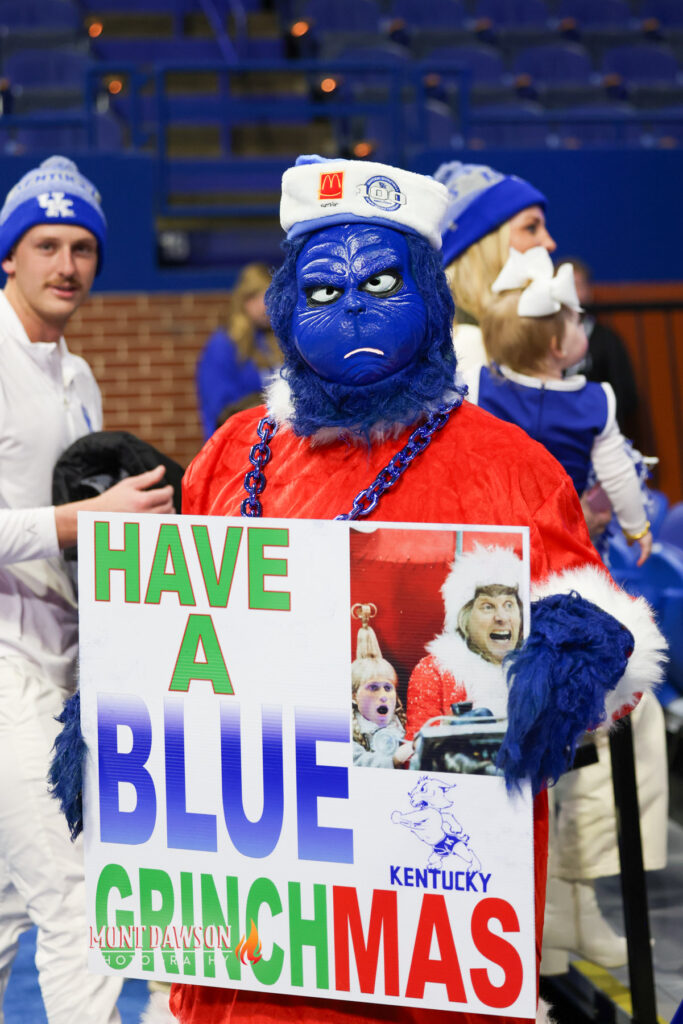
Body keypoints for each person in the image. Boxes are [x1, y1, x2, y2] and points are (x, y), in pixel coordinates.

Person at [164, 153, 664, 1024]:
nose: (352, 304)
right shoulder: (229, 456)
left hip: (428, 931)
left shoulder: (510, 467)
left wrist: (569, 667)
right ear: (285, 308)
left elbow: (598, 668)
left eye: (381, 279)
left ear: (430, 297)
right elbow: (176, 643)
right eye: (323, 290)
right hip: (258, 925)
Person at [0, 156, 174, 1024]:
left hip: (59, 665)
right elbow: (72, 526)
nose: (65, 265)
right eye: (44, 245)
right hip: (2, 670)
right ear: (9, 256)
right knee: (78, 895)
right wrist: (80, 523)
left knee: (3, 912)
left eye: (81, 248)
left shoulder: (76, 377)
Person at [463, 246, 653, 566]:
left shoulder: (478, 384)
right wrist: (637, 528)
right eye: (578, 323)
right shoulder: (595, 402)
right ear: (557, 346)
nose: (583, 327)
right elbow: (618, 475)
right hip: (565, 537)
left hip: (493, 536)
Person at [433, 160, 556, 374]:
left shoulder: (495, 342)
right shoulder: (468, 351)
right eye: (531, 227)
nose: (550, 243)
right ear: (483, 246)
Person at [407, 544, 523, 734]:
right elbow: (417, 755)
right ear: (464, 619)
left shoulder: (540, 669)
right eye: (488, 606)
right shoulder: (433, 672)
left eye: (509, 604)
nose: (502, 617)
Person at [196, 262, 280, 440]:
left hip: (278, 444)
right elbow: (221, 411)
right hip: (239, 445)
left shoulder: (278, 341)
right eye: (262, 297)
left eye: (273, 297)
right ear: (245, 300)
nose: (269, 305)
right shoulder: (223, 345)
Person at [564, 256, 639, 438]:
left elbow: (626, 395)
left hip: (599, 430)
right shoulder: (541, 341)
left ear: (589, 291)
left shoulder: (606, 340)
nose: (572, 293)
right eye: (566, 286)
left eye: (578, 286)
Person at [351, 602, 413, 768]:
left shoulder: (405, 725)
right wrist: (394, 760)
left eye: (388, 688)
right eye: (373, 688)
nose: (383, 696)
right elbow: (356, 763)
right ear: (354, 696)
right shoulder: (347, 733)